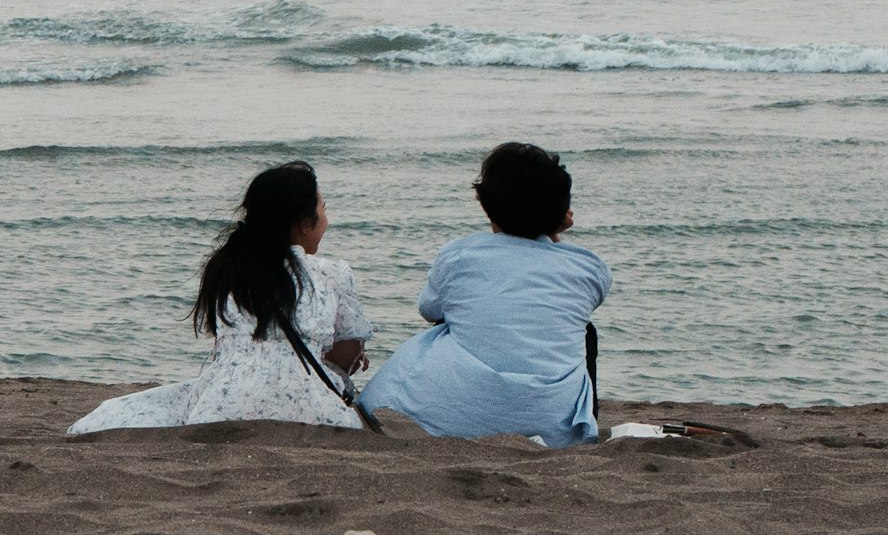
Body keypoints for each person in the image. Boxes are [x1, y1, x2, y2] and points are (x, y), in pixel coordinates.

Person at [68, 161, 374, 435]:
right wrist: (349, 360)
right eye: (324, 208)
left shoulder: (229, 268)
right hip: (311, 406)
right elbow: (346, 354)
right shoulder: (332, 273)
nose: (326, 219)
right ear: (304, 223)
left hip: (224, 403)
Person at [352, 142, 610, 446]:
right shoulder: (589, 268)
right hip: (554, 423)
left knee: (438, 331)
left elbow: (429, 310)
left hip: (457, 415)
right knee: (583, 331)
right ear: (562, 215)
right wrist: (551, 232)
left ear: (486, 205)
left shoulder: (459, 255)